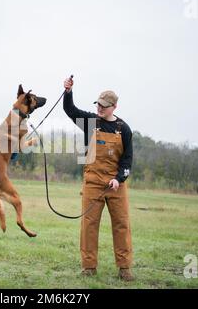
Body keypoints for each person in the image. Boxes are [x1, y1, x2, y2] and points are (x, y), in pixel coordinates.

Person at [63, 76, 134, 281]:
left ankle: (124, 268)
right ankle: (89, 267)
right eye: (98, 105)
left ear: (114, 106)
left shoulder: (124, 129)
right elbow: (71, 111)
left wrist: (119, 179)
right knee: (89, 225)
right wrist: (68, 92)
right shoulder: (91, 122)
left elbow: (127, 161)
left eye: (104, 106)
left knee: (121, 224)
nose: (100, 109)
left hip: (115, 185)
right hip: (93, 183)